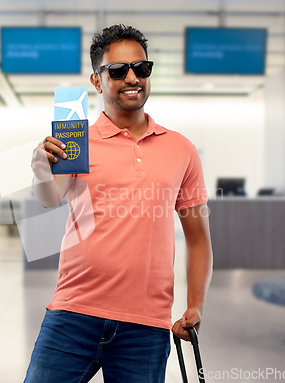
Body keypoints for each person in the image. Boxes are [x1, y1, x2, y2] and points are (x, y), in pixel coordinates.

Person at [27, 24, 213, 383]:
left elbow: (199, 237)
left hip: (145, 325)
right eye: (118, 70)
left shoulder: (182, 150)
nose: (133, 78)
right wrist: (40, 172)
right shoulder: (75, 138)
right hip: (73, 312)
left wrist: (195, 304)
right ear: (97, 81)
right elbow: (50, 198)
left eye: (142, 68)